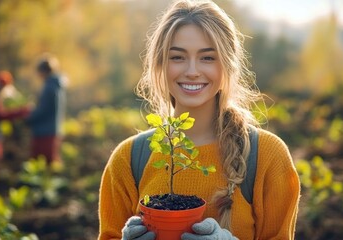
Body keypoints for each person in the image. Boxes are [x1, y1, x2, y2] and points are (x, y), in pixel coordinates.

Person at [98, 0, 300, 239]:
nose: (192, 71)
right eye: (177, 57)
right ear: (160, 65)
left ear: (228, 65)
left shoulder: (267, 156)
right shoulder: (128, 159)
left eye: (207, 58)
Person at [26, 53, 67, 165]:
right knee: (50, 161)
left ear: (43, 72)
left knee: (42, 162)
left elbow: (43, 110)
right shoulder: (57, 86)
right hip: (53, 129)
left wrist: (29, 118)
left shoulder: (49, 87)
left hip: (44, 131)